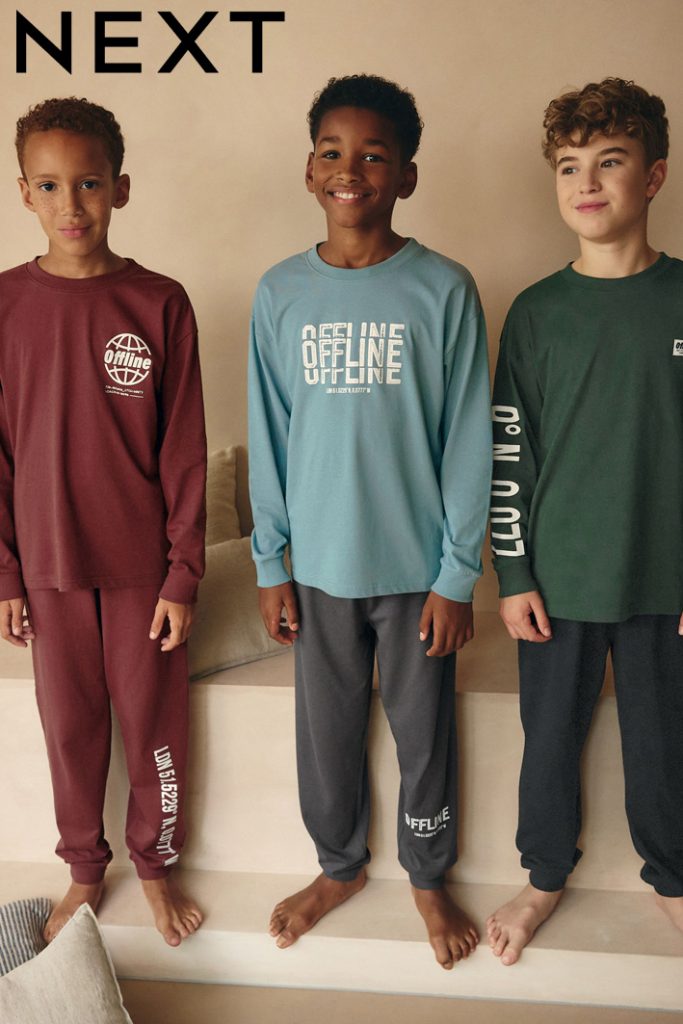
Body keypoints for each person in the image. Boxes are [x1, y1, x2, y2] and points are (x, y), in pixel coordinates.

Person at [249, 74, 492, 970]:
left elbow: (468, 437)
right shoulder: (280, 292)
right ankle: (338, 867)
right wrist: (270, 562)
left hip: (415, 570)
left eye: (374, 155)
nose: (349, 168)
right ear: (309, 170)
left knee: (424, 735)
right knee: (327, 732)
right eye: (332, 151)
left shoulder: (443, 288)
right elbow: (269, 434)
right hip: (317, 568)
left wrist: (456, 574)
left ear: (407, 176)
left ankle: (427, 875)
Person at [0, 97, 207, 947]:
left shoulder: (158, 302)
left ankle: (155, 865)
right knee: (70, 728)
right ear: (24, 193)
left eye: (88, 183)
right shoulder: (5, 304)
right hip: (48, 565)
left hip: (141, 571)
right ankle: (85, 868)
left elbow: (184, 448)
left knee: (153, 725)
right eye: (50, 185)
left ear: (120, 187)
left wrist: (183, 574)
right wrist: (6, 575)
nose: (71, 203)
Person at [487, 77, 683, 966]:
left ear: (654, 176)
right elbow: (509, 452)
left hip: (662, 580)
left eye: (609, 161)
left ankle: (672, 878)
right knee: (549, 741)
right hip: (557, 581)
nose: (587, 182)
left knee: (663, 743)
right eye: (569, 166)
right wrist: (513, 573)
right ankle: (542, 877)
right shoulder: (536, 313)